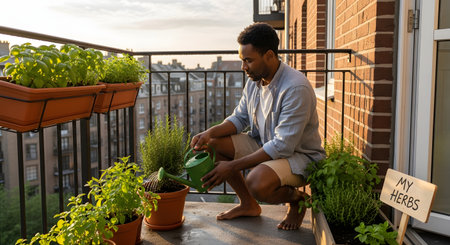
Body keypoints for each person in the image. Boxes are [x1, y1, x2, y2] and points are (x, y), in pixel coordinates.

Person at [190, 22, 325, 230]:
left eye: (248, 60)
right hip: (264, 142)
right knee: (214, 144)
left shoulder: (295, 87)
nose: (244, 67)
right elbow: (240, 118)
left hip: (299, 156)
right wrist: (208, 133)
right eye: (242, 60)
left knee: (256, 183)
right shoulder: (255, 80)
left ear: (269, 55)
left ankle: (297, 200)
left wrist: (232, 166)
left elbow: (282, 146)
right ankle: (248, 205)